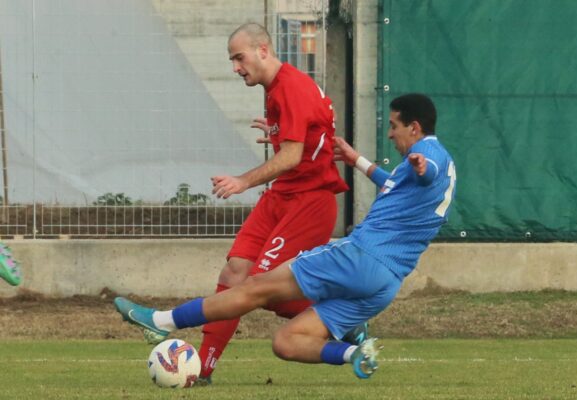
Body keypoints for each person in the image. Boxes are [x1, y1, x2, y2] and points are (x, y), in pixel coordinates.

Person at [115, 93, 456, 380]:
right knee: (286, 342)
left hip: (359, 256)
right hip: (384, 285)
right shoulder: (423, 169)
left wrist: (423, 167)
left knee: (253, 286)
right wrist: (358, 161)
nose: (391, 135)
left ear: (415, 127)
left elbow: (428, 170)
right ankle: (355, 351)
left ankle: (161, 321)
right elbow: (397, 185)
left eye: (394, 127)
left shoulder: (430, 154)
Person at [195, 23, 350, 383]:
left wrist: (242, 181)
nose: (235, 67)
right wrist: (277, 133)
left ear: (262, 50)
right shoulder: (275, 87)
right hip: (283, 194)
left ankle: (342, 318)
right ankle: (202, 369)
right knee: (235, 272)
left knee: (263, 287)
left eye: (239, 57)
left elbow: (294, 156)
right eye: (232, 60)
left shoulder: (290, 87)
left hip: (309, 200)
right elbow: (313, 129)